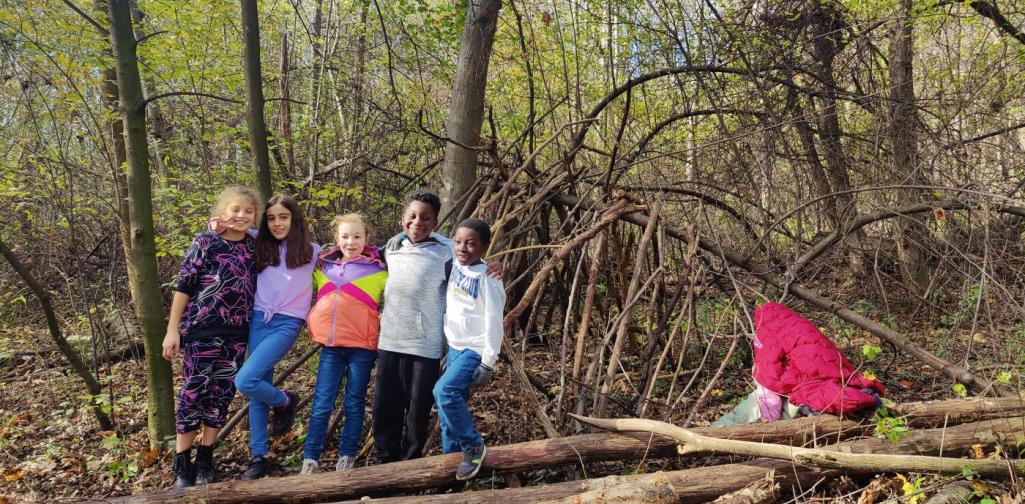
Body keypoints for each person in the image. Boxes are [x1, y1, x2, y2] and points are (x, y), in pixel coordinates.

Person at [162, 186, 261, 488]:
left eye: (248, 211)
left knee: (221, 395)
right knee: (193, 394)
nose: (241, 216)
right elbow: (184, 285)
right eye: (235, 209)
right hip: (201, 331)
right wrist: (172, 329)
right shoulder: (206, 242)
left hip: (237, 334)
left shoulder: (255, 247)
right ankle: (182, 463)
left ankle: (206, 457)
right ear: (222, 211)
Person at [234, 195, 320, 480]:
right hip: (259, 319)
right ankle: (258, 456)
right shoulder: (260, 244)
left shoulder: (313, 252)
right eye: (271, 218)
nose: (277, 223)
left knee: (245, 380)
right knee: (258, 384)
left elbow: (350, 256)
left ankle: (284, 400)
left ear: (294, 219)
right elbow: (235, 225)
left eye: (283, 217)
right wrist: (218, 223)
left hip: (287, 323)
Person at [300, 213, 387, 474]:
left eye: (357, 236)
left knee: (354, 402)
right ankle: (310, 457)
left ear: (366, 238)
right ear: (336, 239)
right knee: (322, 403)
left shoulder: (380, 270)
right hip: (331, 346)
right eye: (346, 236)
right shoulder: (323, 267)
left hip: (362, 346)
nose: (351, 242)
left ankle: (347, 455)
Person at [433, 218, 504, 480]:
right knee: (450, 405)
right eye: (459, 242)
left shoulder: (489, 279)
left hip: (474, 350)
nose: (463, 248)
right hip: (454, 348)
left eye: (471, 244)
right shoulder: (453, 265)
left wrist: (488, 362)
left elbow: (495, 322)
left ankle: (473, 445)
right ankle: (451, 461)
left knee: (444, 391)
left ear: (484, 247)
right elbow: (436, 239)